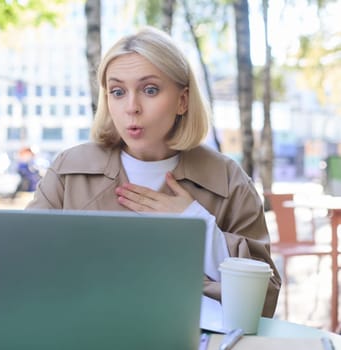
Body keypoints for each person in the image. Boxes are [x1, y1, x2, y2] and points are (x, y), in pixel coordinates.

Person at [26, 26, 281, 317]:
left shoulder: (227, 179)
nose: (132, 107)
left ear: (182, 100)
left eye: (150, 90)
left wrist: (198, 225)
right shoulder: (68, 171)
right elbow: (23, 270)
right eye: (118, 92)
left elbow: (264, 299)